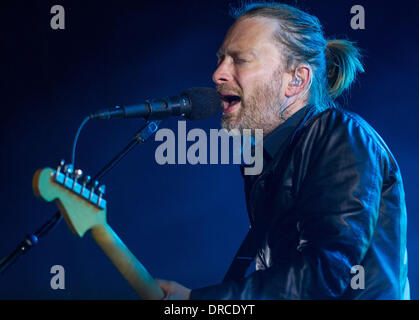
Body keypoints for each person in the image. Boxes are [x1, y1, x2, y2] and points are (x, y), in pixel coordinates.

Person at [156, 2, 410, 299]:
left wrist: (198, 302)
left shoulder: (341, 135)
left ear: (296, 80)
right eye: (221, 59)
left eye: (240, 60)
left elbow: (325, 273)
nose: (218, 74)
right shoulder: (266, 161)